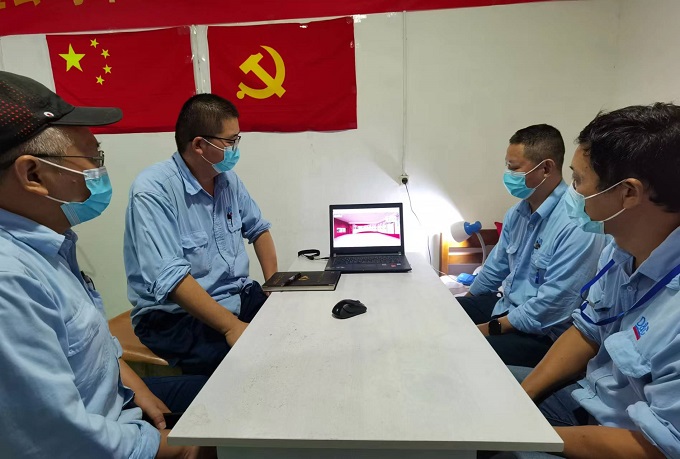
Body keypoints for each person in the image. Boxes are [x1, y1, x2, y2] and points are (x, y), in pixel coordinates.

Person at [0, 71, 211, 458]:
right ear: (33, 174)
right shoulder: (9, 283)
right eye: (92, 158)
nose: (99, 171)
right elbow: (63, 441)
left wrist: (133, 384)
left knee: (241, 392)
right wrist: (174, 449)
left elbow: (86, 346)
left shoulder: (49, 244)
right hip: (101, 437)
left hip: (118, 402)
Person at [494, 103, 680, 459]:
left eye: (579, 181)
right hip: (584, 399)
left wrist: (529, 435)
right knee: (476, 392)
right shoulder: (618, 251)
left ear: (628, 193)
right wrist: (524, 396)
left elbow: (659, 446)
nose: (573, 194)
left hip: (621, 440)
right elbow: (587, 331)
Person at [124, 94, 278, 376]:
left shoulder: (227, 181)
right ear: (199, 145)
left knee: (292, 331)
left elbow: (259, 230)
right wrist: (231, 327)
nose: (235, 149)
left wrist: (274, 286)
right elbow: (171, 279)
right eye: (230, 141)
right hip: (176, 316)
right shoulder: (153, 189)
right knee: (252, 368)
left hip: (236, 296)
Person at [457, 124, 606, 367]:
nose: (508, 174)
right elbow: (494, 269)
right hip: (506, 309)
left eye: (513, 167)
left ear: (545, 168)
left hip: (542, 334)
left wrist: (485, 329)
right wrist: (466, 304)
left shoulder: (577, 224)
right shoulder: (517, 214)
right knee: (444, 315)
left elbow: (553, 306)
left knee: (461, 349)